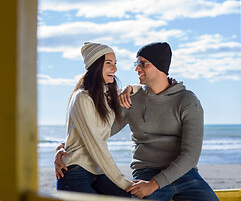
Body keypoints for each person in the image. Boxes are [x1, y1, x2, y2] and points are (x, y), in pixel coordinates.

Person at [56, 42, 220, 201]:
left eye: (143, 63)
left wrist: (155, 184)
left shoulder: (187, 100)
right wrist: (64, 146)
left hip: (185, 174)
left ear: (159, 66)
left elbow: (191, 155)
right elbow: (97, 132)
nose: (136, 68)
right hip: (146, 173)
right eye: (137, 63)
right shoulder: (130, 100)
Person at [56, 42, 135, 197]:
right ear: (96, 65)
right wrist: (125, 183)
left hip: (97, 172)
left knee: (127, 197)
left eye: (115, 63)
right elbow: (96, 146)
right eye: (108, 63)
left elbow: (140, 89)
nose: (115, 68)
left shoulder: (106, 96)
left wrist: (129, 88)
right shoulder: (82, 98)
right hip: (74, 172)